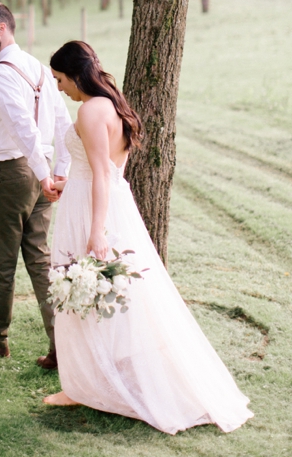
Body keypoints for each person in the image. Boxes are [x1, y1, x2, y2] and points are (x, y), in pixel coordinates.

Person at [44, 40, 253, 435]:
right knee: (99, 295)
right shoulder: (110, 104)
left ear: (74, 75)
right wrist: (65, 182)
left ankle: (86, 385)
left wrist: (95, 232)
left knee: (84, 294)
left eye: (59, 79)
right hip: (100, 201)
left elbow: (103, 174)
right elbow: (100, 169)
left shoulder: (90, 110)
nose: (59, 88)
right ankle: (83, 382)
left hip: (94, 211)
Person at [0, 3, 72, 369]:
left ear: (2, 28)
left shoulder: (1, 74)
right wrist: (59, 172)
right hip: (41, 176)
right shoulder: (38, 68)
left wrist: (43, 173)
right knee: (40, 260)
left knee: (3, 262)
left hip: (13, 174)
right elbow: (62, 121)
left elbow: (24, 127)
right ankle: (62, 346)